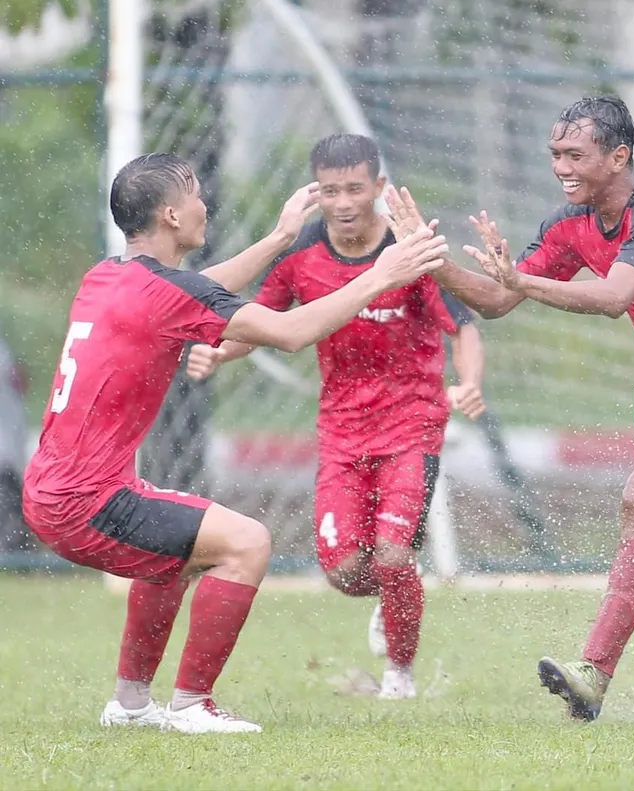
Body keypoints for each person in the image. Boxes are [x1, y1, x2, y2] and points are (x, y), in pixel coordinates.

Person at [384, 96, 634, 722]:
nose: (561, 167)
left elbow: (612, 296)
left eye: (575, 154)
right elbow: (493, 297)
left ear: (618, 156)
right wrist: (429, 256)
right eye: (555, 155)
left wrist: (523, 283)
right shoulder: (569, 222)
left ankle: (593, 673)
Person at [22, 152, 447, 733]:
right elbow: (292, 333)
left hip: (53, 491)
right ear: (172, 214)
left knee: (172, 556)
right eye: (195, 193)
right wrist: (382, 273)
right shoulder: (164, 293)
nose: (205, 204)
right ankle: (193, 705)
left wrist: (278, 238)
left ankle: (129, 705)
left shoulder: (111, 276)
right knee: (246, 543)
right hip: (84, 503)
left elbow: (195, 289)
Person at [186, 134, 486, 700]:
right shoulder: (301, 255)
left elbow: (464, 326)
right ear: (315, 193)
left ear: (378, 188)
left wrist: (468, 383)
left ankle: (399, 675)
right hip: (342, 432)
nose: (343, 202)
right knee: (347, 571)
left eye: (354, 189)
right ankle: (399, 595)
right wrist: (219, 350)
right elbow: (261, 322)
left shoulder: (408, 251)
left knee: (394, 552)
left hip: (412, 425)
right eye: (330, 190)